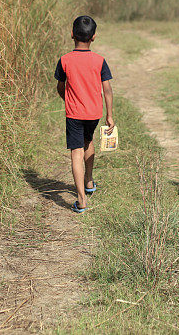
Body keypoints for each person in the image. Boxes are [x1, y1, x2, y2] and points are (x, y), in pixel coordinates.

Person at [54, 16, 115, 213]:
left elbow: (60, 86)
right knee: (88, 141)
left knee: (76, 152)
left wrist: (68, 100)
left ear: (72, 34)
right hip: (94, 113)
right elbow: (107, 90)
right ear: (94, 37)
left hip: (74, 113)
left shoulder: (64, 61)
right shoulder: (100, 61)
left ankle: (81, 200)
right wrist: (109, 115)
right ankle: (89, 182)